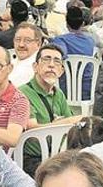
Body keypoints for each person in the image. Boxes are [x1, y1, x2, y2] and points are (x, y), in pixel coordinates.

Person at [18, 44, 81, 175]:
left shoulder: (59, 94)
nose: (51, 65)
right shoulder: (22, 93)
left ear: (61, 71)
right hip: (32, 158)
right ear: (35, 67)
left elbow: (71, 128)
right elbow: (32, 128)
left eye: (57, 61)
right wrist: (65, 121)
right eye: (46, 59)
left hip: (57, 155)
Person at [8, 22, 42, 87]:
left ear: (38, 44)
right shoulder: (12, 62)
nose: (21, 45)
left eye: (27, 40)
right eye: (18, 40)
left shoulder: (38, 68)